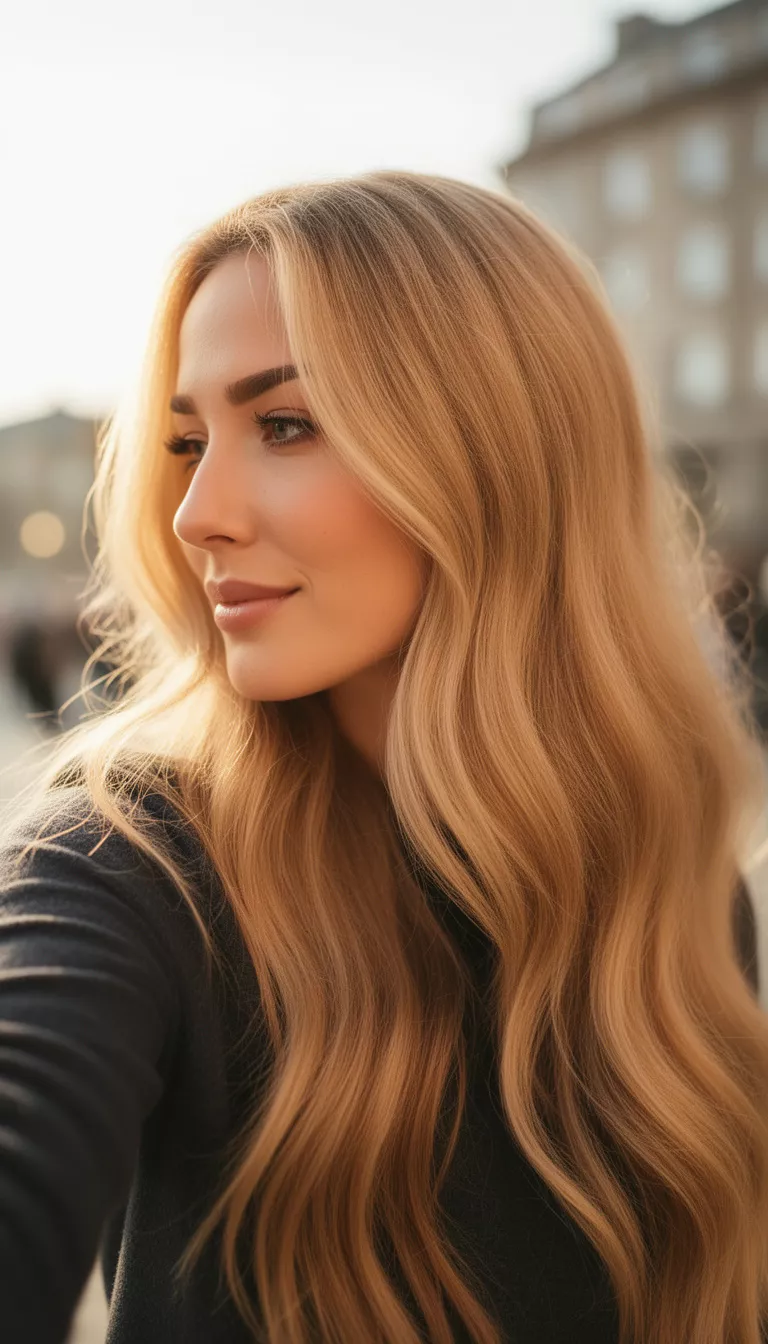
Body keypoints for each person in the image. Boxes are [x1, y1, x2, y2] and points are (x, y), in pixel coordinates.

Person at [0, 170, 767, 1344]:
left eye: (285, 424)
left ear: (496, 458)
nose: (196, 512)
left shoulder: (674, 886)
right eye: (188, 441)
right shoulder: (128, 861)